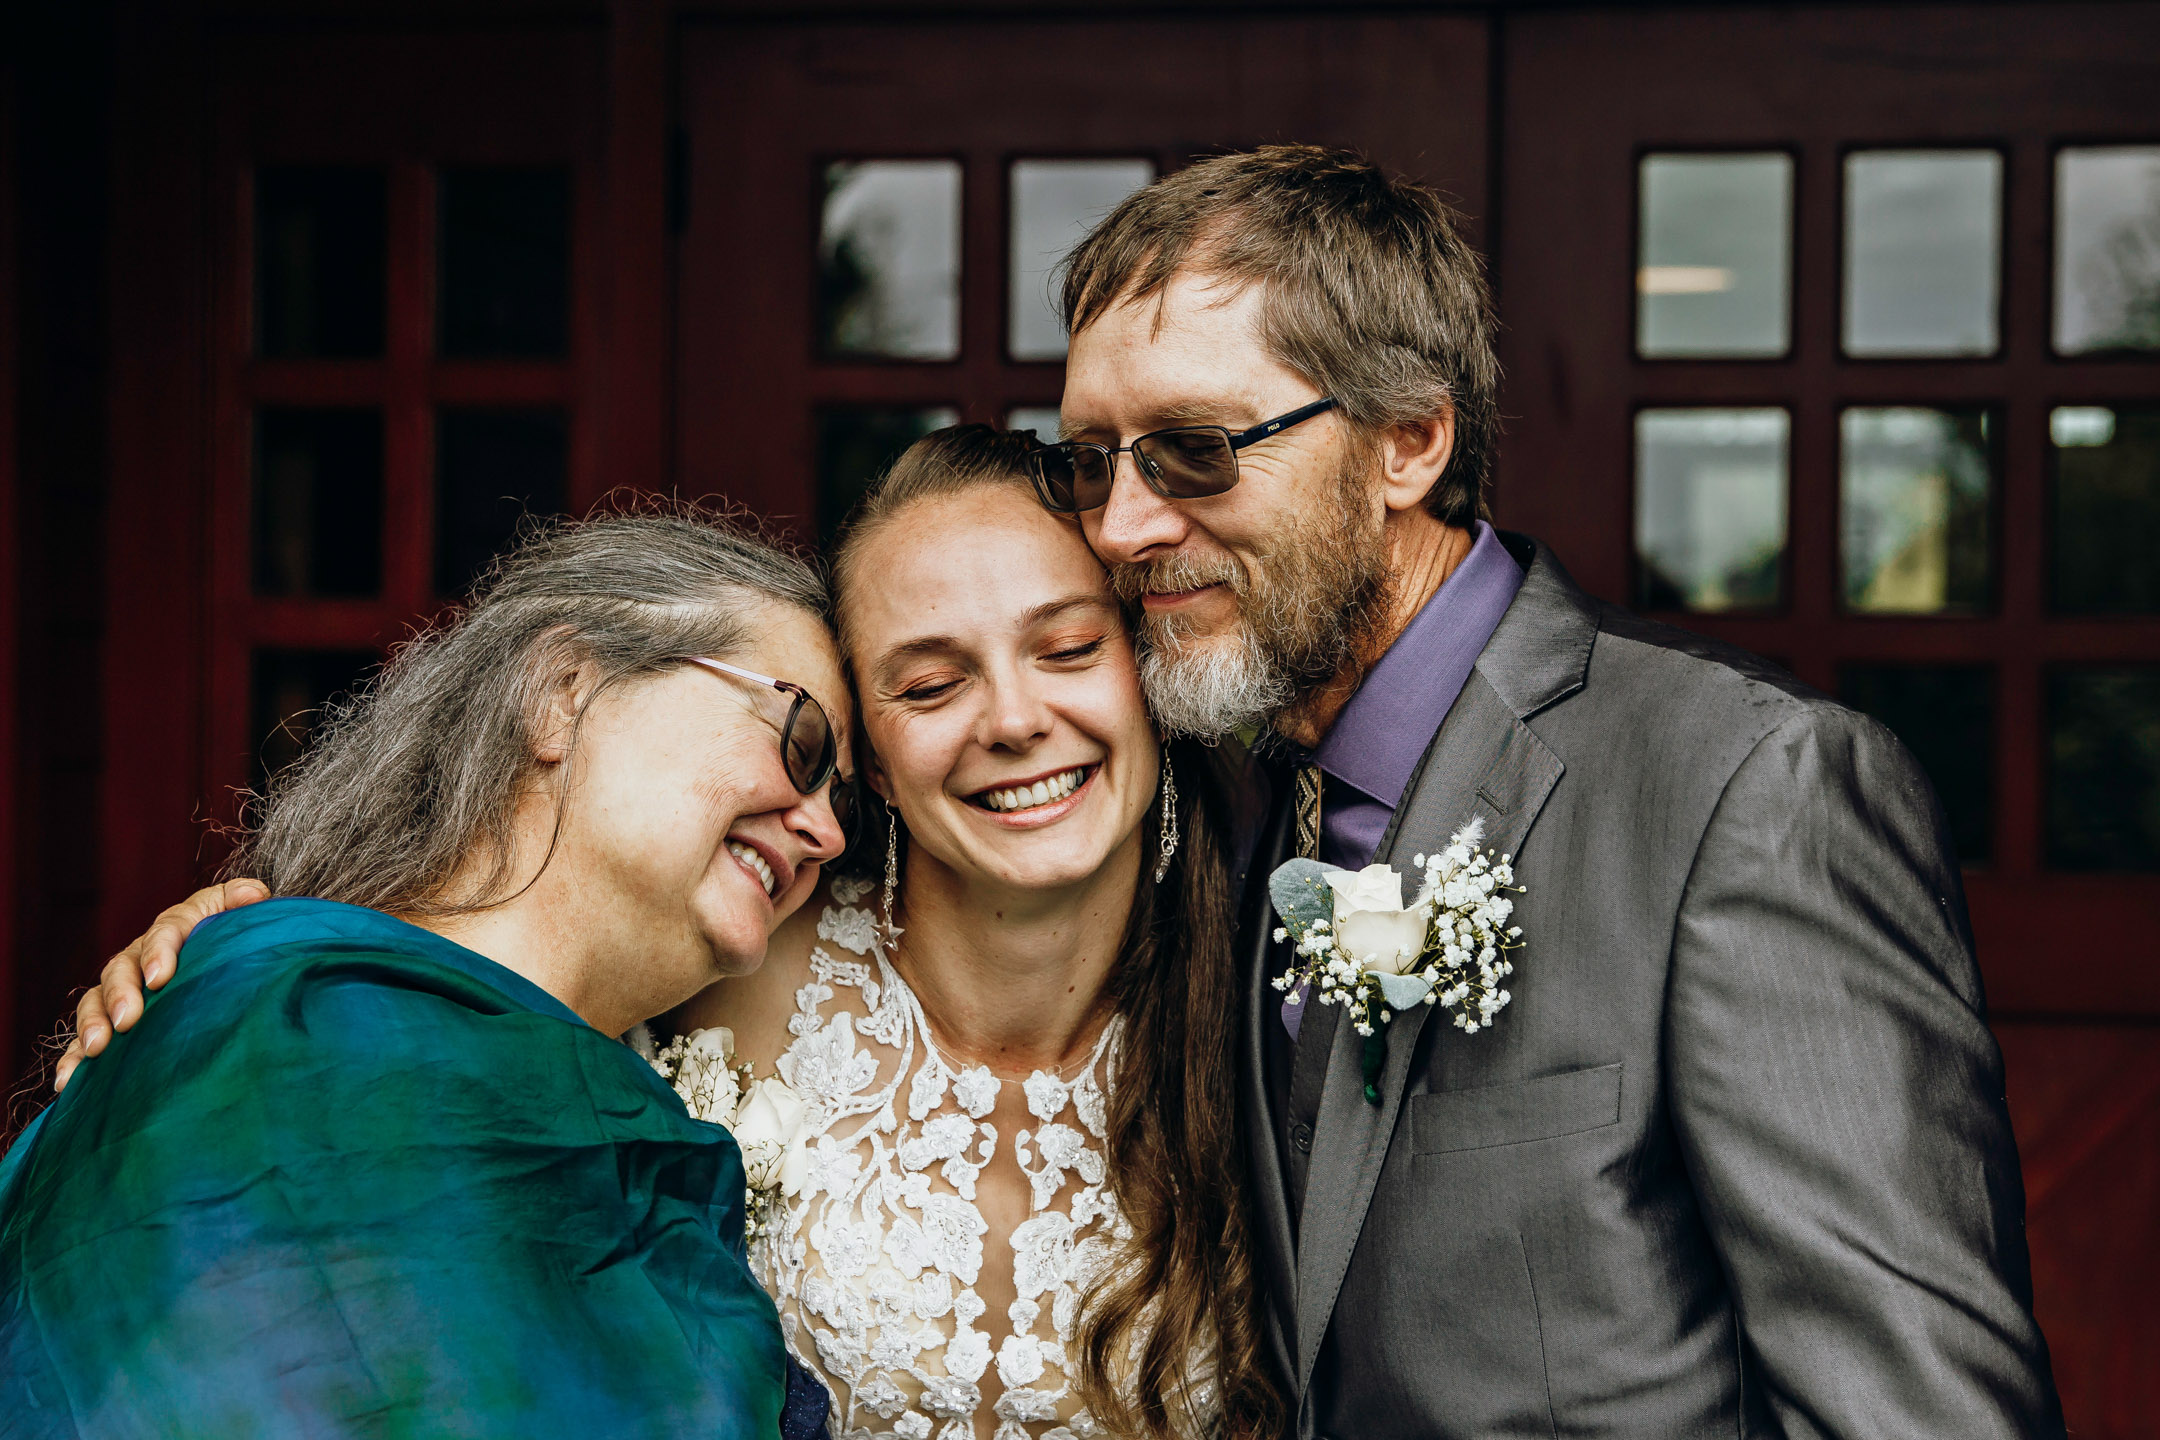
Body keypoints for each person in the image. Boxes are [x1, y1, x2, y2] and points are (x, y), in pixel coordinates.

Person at [1026, 143, 2066, 1437]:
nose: (1121, 527)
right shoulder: (1220, 802)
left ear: (1408, 442)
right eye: (1087, 462)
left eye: (1192, 450)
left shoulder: (1750, 789)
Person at [57, 430, 1282, 1440]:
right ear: (559, 692)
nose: (818, 827)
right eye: (902, 697)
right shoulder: (372, 1008)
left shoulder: (1279, 1004)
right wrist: (243, 960)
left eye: (1069, 649)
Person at [9, 511, 850, 1438]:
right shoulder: (271, 1020)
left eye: (840, 797)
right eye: (801, 744)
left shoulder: (658, 1151)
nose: (828, 831)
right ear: (563, 691)